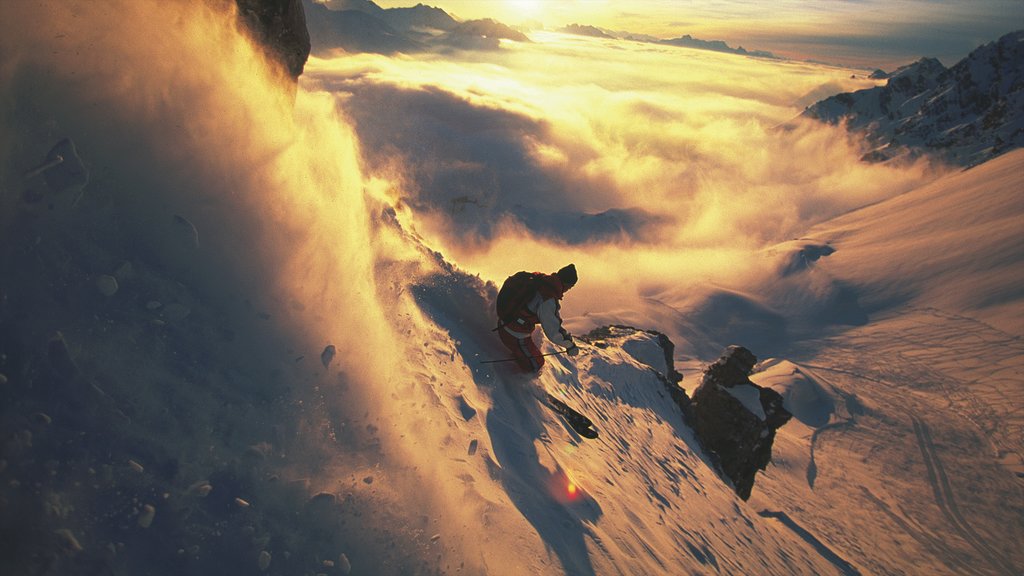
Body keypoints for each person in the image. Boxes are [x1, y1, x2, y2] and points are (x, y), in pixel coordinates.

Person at [495, 263, 580, 373]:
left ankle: (518, 357)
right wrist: (570, 346)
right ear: (566, 284)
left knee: (529, 356)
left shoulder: (541, 280)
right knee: (536, 365)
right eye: (570, 287)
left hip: (505, 321)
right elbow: (553, 332)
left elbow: (553, 320)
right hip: (514, 334)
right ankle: (510, 384)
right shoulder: (548, 299)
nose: (568, 290)